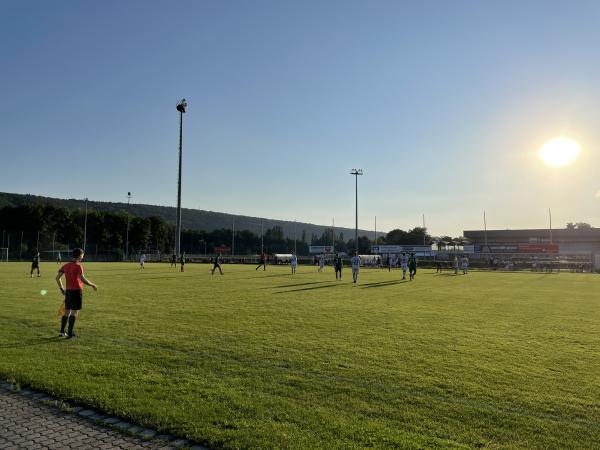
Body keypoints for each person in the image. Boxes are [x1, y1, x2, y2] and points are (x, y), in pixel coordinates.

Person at [55, 248, 97, 339]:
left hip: (68, 291)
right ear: (79, 256)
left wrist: (62, 289)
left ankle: (62, 332)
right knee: (74, 312)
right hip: (77, 291)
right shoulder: (78, 266)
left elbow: (57, 278)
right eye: (82, 255)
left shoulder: (65, 265)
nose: (83, 257)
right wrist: (92, 284)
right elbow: (82, 279)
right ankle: (70, 333)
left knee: (67, 312)